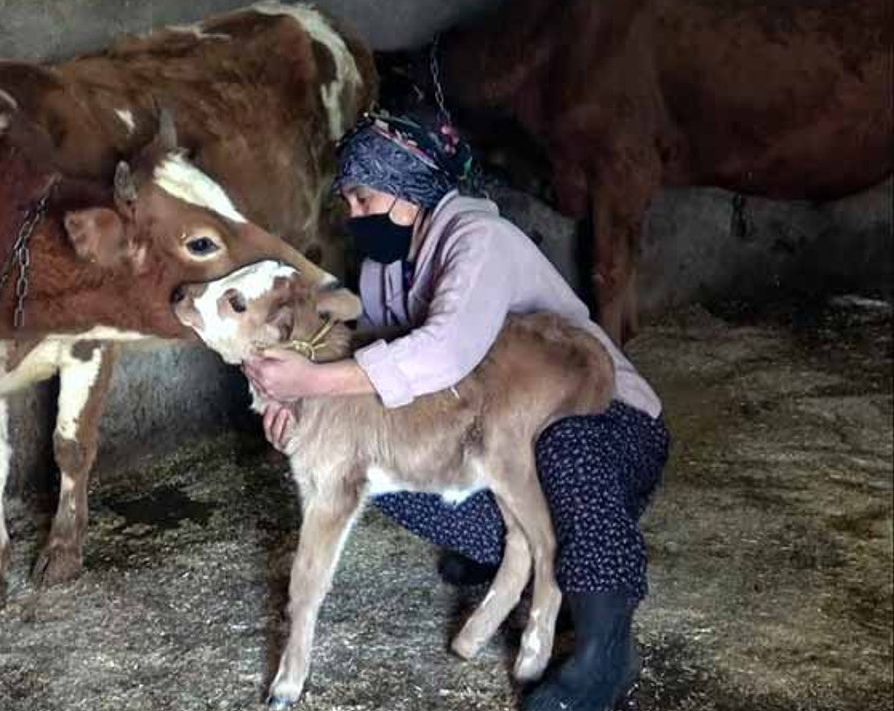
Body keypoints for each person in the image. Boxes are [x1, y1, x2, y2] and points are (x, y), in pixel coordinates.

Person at [243, 110, 670, 711]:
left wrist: (313, 377)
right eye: (350, 202)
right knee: (375, 471)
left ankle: (605, 648)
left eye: (366, 198)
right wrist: (301, 404)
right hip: (500, 428)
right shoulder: (385, 267)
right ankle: (508, 548)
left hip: (607, 422)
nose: (356, 215)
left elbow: (445, 350)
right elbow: (371, 368)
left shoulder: (477, 240)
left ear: (411, 190)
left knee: (563, 448)